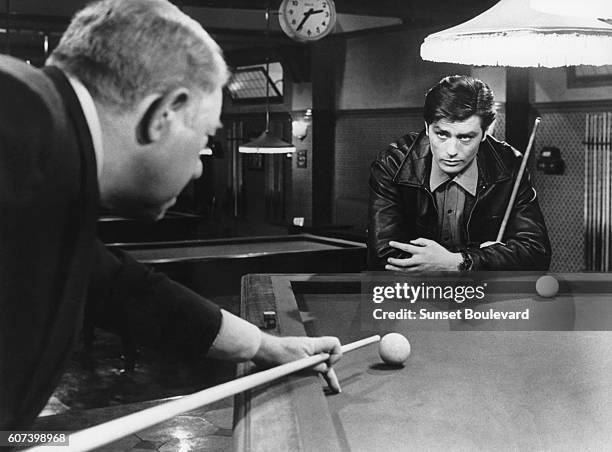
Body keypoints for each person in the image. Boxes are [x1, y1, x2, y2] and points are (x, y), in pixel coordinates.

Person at [0, 0, 341, 431]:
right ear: (164, 115)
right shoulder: (18, 121)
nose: (199, 166)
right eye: (204, 136)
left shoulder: (48, 149)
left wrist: (267, 346)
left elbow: (121, 290)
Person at [368, 75, 551, 272]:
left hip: (482, 296)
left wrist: (459, 262)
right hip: (412, 297)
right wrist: (489, 259)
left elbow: (536, 252)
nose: (452, 150)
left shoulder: (510, 165)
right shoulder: (393, 163)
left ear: (485, 133)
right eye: (442, 134)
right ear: (427, 128)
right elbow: (384, 256)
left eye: (465, 137)